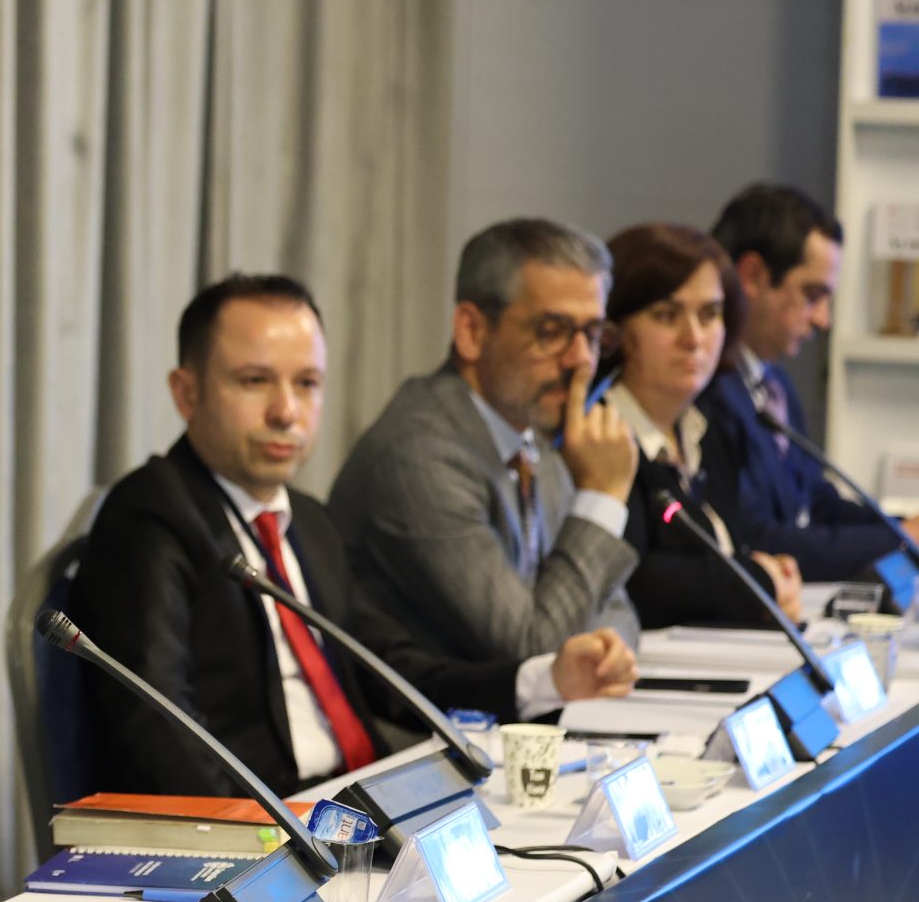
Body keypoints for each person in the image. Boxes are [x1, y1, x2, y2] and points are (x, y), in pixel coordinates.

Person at [70, 275, 637, 799]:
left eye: (307, 384)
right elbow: (158, 728)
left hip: (353, 810)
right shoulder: (152, 514)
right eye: (254, 382)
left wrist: (544, 678)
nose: (285, 411)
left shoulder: (309, 522)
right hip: (260, 825)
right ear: (186, 394)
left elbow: (394, 672)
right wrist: (271, 838)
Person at [330, 218, 644, 672]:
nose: (581, 360)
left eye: (593, 335)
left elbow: (616, 609)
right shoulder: (419, 456)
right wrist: (601, 497)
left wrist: (606, 648)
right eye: (552, 331)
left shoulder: (532, 434)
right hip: (427, 716)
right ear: (472, 330)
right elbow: (530, 650)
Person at [698, 183, 909, 579]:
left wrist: (901, 529)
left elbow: (816, 501)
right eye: (813, 295)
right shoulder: (704, 390)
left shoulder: (775, 384)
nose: (823, 320)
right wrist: (898, 541)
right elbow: (756, 537)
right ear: (753, 275)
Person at [598, 223, 804, 629]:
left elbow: (731, 546)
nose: (693, 338)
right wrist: (755, 582)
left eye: (709, 315)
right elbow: (633, 580)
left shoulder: (706, 431)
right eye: (667, 316)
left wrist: (772, 573)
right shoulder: (599, 434)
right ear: (616, 329)